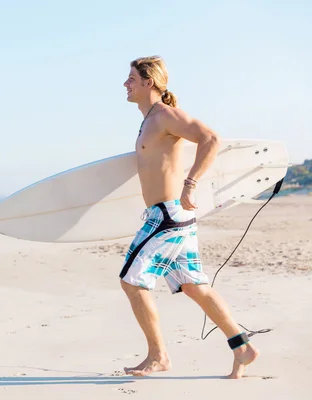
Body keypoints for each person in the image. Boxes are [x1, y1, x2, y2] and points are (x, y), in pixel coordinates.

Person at [120, 55, 259, 379]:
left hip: (168, 215)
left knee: (131, 280)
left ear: (147, 82)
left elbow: (211, 139)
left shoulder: (166, 116)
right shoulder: (148, 121)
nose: (125, 84)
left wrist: (190, 183)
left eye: (130, 79)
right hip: (166, 214)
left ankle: (159, 355)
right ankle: (242, 347)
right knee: (195, 287)